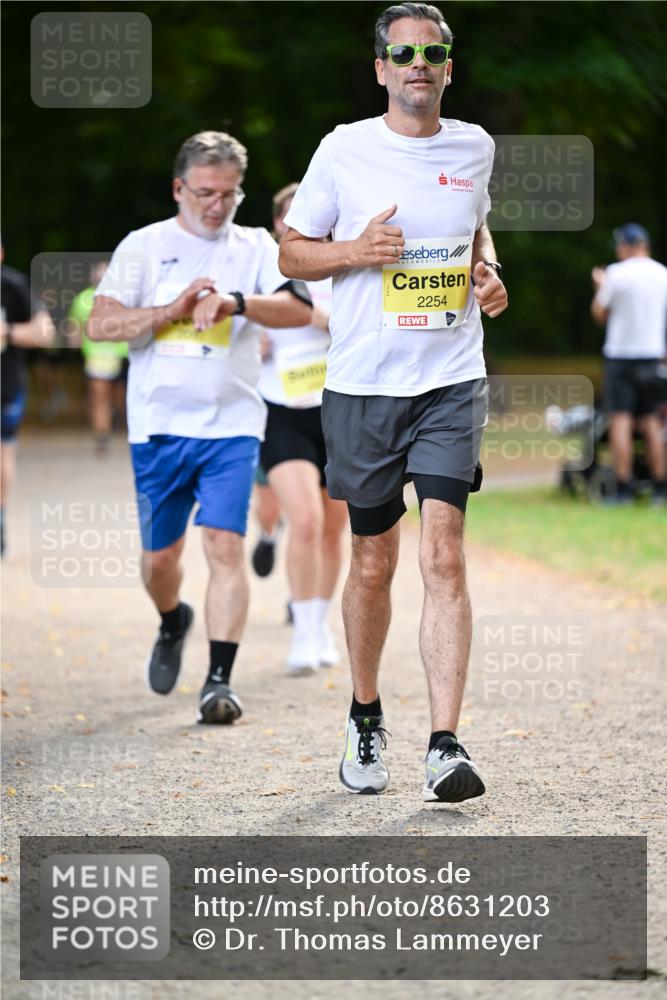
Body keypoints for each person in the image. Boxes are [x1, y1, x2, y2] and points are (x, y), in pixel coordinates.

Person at [279, 2, 508, 801]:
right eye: (403, 51)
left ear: (449, 65)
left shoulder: (474, 147)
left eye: (432, 51)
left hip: (449, 380)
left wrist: (488, 274)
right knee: (372, 561)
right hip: (363, 387)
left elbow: (476, 232)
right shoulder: (344, 150)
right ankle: (365, 712)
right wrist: (355, 251)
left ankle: (445, 744)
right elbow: (292, 250)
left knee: (442, 552)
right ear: (380, 67)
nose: (418, 62)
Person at [88, 131, 311, 724]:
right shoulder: (145, 245)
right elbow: (101, 327)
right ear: (179, 189)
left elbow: (298, 309)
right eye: (206, 193)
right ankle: (172, 620)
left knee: (224, 546)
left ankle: (219, 681)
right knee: (161, 562)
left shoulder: (257, 245)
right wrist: (171, 310)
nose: (218, 206)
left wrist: (238, 302)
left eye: (231, 195)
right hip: (159, 427)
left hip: (232, 426)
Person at [258, 183, 348, 675]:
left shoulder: (342, 268)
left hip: (338, 410)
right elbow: (239, 323)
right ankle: (302, 629)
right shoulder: (263, 270)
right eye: (289, 217)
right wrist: (251, 344)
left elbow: (354, 326)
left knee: (335, 529)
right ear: (278, 226)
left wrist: (308, 315)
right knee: (306, 521)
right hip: (282, 410)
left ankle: (320, 624)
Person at [591, 223, 667, 505]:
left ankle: (623, 488)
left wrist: (599, 287)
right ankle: (660, 488)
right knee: (651, 421)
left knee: (620, 421)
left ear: (626, 245)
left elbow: (600, 314)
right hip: (652, 355)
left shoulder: (615, 274)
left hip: (620, 356)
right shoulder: (662, 274)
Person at [1, 247, 55, 556]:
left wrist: (7, 331)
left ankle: (0, 523)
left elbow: (44, 333)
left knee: (2, 456)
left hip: (5, 387)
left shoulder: (13, 286)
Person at [68, 261, 129, 456]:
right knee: (100, 397)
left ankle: (124, 427)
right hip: (98, 355)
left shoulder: (126, 297)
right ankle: (102, 437)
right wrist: (75, 343)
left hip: (124, 354)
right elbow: (74, 325)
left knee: (123, 397)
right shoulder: (84, 299)